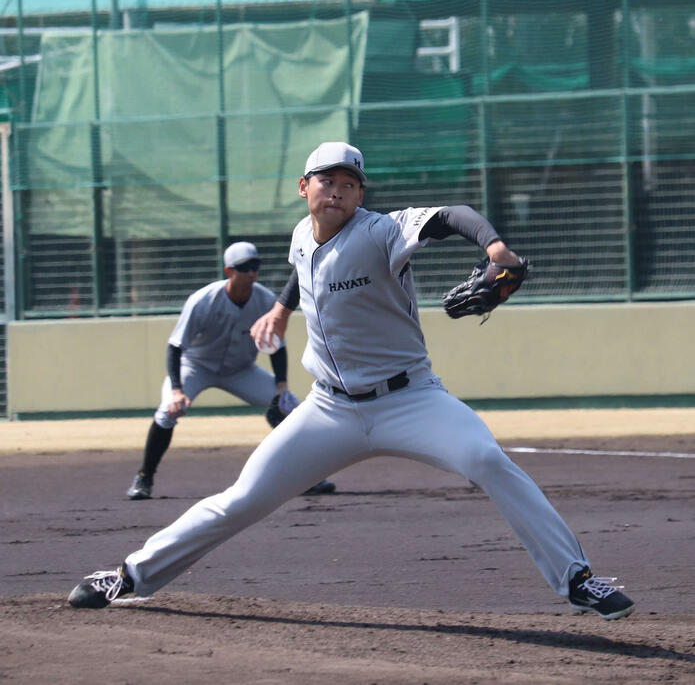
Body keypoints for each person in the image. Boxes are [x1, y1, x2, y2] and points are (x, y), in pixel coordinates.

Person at [69, 142, 635, 621]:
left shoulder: (382, 232)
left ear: (360, 194)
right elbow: (304, 269)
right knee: (241, 499)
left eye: (348, 182)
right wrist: (284, 310)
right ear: (304, 187)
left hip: (410, 399)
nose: (336, 190)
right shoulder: (299, 235)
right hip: (328, 412)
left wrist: (495, 250)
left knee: (487, 459)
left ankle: (578, 579)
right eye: (325, 180)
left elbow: (452, 214)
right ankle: (129, 575)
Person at [125, 240, 335, 500]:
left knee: (289, 409)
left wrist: (281, 387)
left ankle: (307, 478)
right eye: (244, 267)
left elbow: (277, 346)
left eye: (255, 266)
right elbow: (175, 347)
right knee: (168, 411)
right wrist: (177, 391)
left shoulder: (264, 299)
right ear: (229, 271)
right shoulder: (203, 300)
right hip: (196, 366)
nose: (251, 273)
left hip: (240, 370)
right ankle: (144, 478)